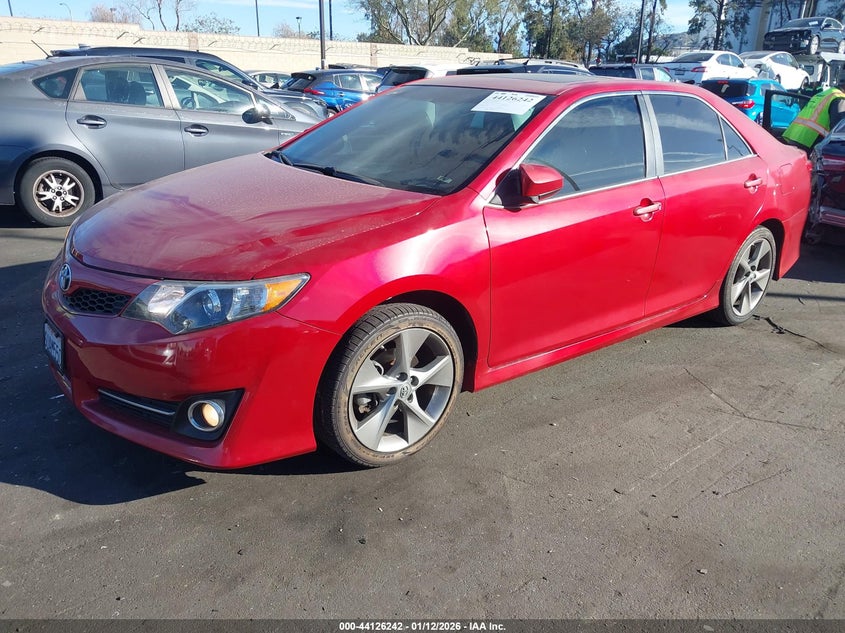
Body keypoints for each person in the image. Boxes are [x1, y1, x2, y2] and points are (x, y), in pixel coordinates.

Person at [782, 75, 845, 153]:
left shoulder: (825, 93)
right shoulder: (839, 98)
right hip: (810, 144)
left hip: (795, 138)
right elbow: (839, 132)